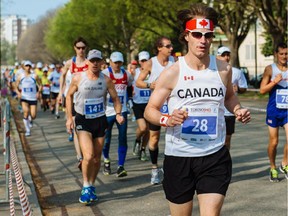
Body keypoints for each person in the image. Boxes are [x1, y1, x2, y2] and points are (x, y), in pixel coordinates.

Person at [144, 3, 251, 216]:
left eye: (208, 35)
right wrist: (167, 119)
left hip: (214, 155)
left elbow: (229, 97)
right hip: (179, 156)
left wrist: (237, 109)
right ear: (186, 36)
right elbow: (150, 110)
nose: (203, 40)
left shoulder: (223, 69)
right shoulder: (172, 72)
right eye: (197, 34)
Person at [66, 49, 124, 205]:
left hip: (100, 121)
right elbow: (69, 95)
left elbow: (116, 99)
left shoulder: (106, 80)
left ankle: (91, 185)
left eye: (98, 60)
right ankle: (85, 186)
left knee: (97, 158)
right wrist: (69, 118)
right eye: (92, 60)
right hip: (83, 120)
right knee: (89, 155)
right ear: (87, 62)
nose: (95, 63)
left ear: (102, 63)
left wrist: (118, 113)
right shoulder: (78, 78)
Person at [136, 36, 175, 184]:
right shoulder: (150, 63)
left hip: (172, 104)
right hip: (156, 106)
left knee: (173, 137)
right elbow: (139, 81)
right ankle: (154, 169)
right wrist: (149, 85)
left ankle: (170, 168)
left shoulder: (174, 62)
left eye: (171, 46)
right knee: (154, 139)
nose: (171, 49)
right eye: (168, 46)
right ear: (159, 48)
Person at [58, 37, 89, 169]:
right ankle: (80, 157)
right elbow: (62, 76)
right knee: (77, 129)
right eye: (78, 48)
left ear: (86, 48)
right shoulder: (70, 63)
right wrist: (61, 92)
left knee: (87, 129)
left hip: (86, 100)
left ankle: (86, 152)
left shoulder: (89, 63)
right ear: (74, 48)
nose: (81, 50)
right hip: (73, 99)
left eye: (83, 48)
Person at [102, 51, 133, 177]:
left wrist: (129, 100)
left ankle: (121, 166)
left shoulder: (127, 74)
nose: (117, 65)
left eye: (120, 62)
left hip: (122, 111)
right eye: (115, 62)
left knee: (122, 138)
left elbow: (130, 86)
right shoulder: (104, 74)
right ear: (110, 62)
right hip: (107, 111)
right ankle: (106, 161)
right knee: (106, 139)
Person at [260, 42, 288, 182]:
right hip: (274, 111)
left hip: (287, 112)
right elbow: (262, 90)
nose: (284, 56)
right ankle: (272, 167)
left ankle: (284, 163)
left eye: (286, 54)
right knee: (274, 142)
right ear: (276, 54)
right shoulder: (270, 69)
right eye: (281, 54)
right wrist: (274, 82)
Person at [217, 46, 248, 150]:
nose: (226, 57)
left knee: (227, 139)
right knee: (215, 139)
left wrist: (238, 89)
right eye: (223, 55)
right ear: (217, 56)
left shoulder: (236, 72)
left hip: (229, 112)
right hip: (215, 110)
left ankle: (224, 163)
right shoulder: (212, 70)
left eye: (227, 55)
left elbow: (244, 88)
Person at [13, 60, 42, 136]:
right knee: (25, 112)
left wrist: (38, 92)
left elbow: (40, 85)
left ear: (31, 67)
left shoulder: (34, 76)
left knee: (33, 115)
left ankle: (30, 119)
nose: (28, 67)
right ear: (24, 67)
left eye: (29, 66)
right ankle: (27, 130)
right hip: (24, 97)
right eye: (26, 66)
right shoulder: (21, 76)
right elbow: (15, 86)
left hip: (33, 98)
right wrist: (18, 93)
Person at [132, 51, 151, 161]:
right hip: (138, 104)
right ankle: (137, 140)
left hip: (150, 103)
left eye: (146, 60)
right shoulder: (135, 72)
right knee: (143, 127)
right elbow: (128, 84)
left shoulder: (153, 72)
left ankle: (143, 149)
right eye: (142, 61)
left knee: (148, 130)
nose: (144, 63)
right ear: (139, 62)